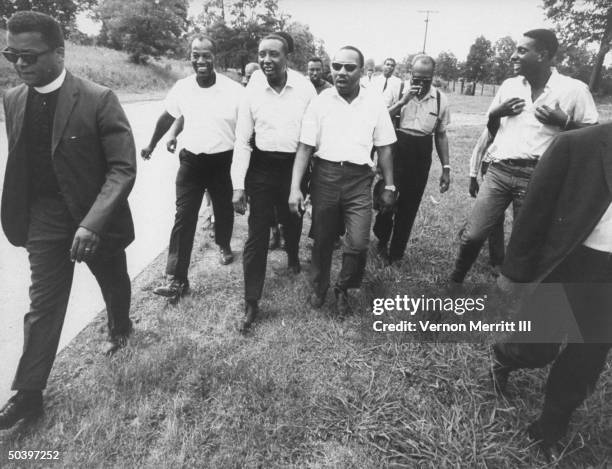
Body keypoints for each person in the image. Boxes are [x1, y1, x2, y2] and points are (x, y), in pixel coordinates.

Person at [0, 11, 136, 429]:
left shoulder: (98, 98)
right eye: (11, 55)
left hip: (95, 216)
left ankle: (120, 328)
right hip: (43, 219)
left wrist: (92, 223)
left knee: (113, 279)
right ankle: (28, 396)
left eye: (29, 55)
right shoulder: (13, 99)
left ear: (59, 52)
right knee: (43, 304)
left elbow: (122, 168)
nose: (20, 64)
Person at [491, 122, 612, 454]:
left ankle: (550, 428)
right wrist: (515, 274)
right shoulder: (577, 145)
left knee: (587, 357)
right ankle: (504, 358)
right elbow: (535, 211)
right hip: (573, 262)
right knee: (537, 347)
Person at [449, 29, 598, 283]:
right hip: (499, 172)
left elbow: (594, 137)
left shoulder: (573, 89)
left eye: (521, 50)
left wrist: (565, 121)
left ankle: (514, 295)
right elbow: (492, 131)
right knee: (473, 235)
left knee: (525, 243)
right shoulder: (509, 85)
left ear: (542, 55)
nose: (512, 56)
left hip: (538, 177)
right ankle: (454, 282)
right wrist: (495, 114)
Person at [288, 46, 396, 318]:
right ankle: (319, 286)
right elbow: (304, 148)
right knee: (323, 239)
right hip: (325, 177)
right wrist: (294, 188)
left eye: (349, 68)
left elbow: (384, 147)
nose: (341, 72)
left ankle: (344, 287)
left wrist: (390, 185)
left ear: (361, 71)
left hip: (359, 180)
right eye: (336, 66)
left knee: (358, 243)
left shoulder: (374, 103)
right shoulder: (320, 101)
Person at [141, 35, 244, 301]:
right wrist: (152, 144)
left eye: (206, 55)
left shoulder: (234, 91)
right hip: (191, 163)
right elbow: (168, 116)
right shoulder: (182, 87)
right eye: (195, 55)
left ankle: (223, 243)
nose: (200, 60)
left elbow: (246, 132)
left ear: (215, 57)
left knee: (223, 210)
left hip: (223, 163)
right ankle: (177, 279)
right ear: (190, 57)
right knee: (183, 216)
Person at [231, 34, 316, 332]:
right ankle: (251, 301)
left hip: (295, 166)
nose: (266, 60)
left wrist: (306, 181)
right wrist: (238, 185)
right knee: (256, 232)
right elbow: (242, 140)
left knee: (293, 217)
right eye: (261, 54)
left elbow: (312, 137)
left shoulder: (305, 89)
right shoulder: (252, 91)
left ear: (287, 57)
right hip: (263, 167)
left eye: (273, 54)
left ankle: (293, 254)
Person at [373, 54, 451, 264]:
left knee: (409, 206)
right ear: (410, 75)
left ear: (432, 77)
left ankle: (396, 252)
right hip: (396, 151)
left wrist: (446, 167)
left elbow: (441, 135)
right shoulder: (398, 90)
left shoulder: (441, 100)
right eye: (416, 79)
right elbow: (380, 119)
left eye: (425, 80)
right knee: (387, 200)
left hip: (420, 155)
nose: (420, 84)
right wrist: (403, 101)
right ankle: (381, 239)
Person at [467, 127, 505, 272]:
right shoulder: (498, 121)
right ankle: (497, 261)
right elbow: (479, 148)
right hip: (494, 168)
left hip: (526, 170)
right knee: (495, 216)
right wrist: (473, 176)